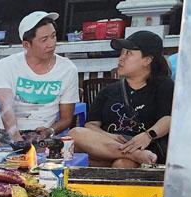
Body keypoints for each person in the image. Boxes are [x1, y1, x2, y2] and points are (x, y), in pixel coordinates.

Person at [69, 31, 173, 168]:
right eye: (122, 53)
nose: (121, 58)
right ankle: (132, 154)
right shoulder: (108, 90)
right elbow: (91, 125)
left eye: (128, 53)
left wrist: (147, 135)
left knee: (122, 164)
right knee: (75, 133)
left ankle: (133, 156)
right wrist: (107, 136)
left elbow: (169, 118)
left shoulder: (163, 86)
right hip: (108, 146)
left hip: (146, 148)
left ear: (147, 60)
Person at [0, 11, 79, 143]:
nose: (51, 44)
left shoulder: (68, 69)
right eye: (44, 40)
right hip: (6, 131)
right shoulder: (6, 65)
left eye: (53, 36)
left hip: (41, 135)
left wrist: (50, 131)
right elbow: (6, 108)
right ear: (26, 45)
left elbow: (66, 118)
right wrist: (17, 139)